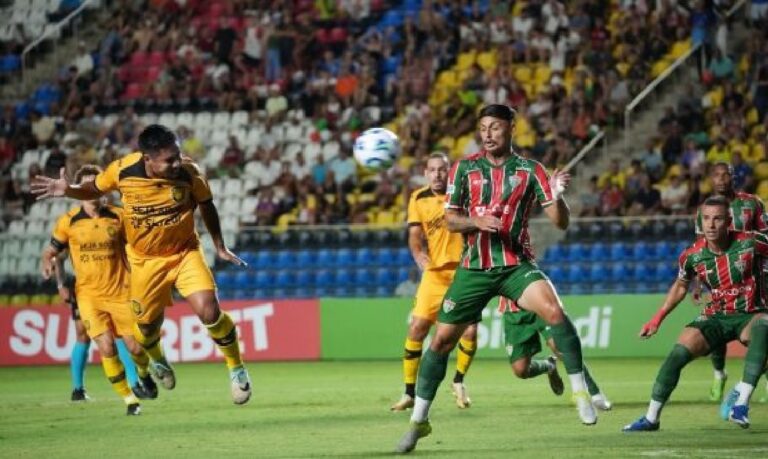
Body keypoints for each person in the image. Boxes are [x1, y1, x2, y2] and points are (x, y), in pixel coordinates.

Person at [396, 104, 594, 454]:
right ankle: (419, 421)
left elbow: (560, 222)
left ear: (512, 128)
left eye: (495, 127)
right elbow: (451, 219)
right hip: (473, 268)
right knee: (440, 342)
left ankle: (581, 392)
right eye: (483, 128)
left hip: (515, 264)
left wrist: (556, 194)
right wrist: (476, 221)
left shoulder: (531, 170)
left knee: (555, 311)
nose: (488, 134)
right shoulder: (464, 168)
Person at [31, 125, 252, 405]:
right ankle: (158, 360)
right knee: (146, 331)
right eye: (169, 160)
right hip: (145, 262)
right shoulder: (122, 171)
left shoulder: (189, 172)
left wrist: (219, 245)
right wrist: (70, 190)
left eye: (178, 155)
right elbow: (94, 187)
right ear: (148, 159)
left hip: (184, 252)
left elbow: (206, 204)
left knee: (209, 311)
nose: (177, 163)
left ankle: (236, 368)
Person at [624, 196, 768, 431]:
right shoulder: (692, 255)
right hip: (716, 315)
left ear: (729, 221)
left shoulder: (751, 242)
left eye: (717, 219)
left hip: (751, 313)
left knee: (764, 326)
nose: (711, 224)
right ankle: (651, 418)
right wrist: (657, 318)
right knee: (677, 354)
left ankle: (741, 403)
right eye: (706, 218)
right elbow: (681, 286)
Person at [40, 165, 156, 415]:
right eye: (86, 185)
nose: (92, 190)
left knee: (135, 348)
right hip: (89, 296)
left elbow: (141, 245)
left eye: (96, 184)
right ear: (78, 190)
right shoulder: (68, 221)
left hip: (122, 293)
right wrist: (47, 263)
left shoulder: (119, 216)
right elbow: (52, 251)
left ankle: (144, 374)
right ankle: (129, 400)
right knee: (105, 346)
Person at [391, 153, 478, 412]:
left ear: (449, 172)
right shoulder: (418, 198)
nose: (437, 174)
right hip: (434, 274)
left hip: (463, 272)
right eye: (432, 170)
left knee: (470, 332)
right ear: (426, 173)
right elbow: (414, 235)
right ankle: (409, 392)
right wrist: (418, 253)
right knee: (417, 328)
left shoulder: (464, 194)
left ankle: (459, 381)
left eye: (442, 169)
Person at [693, 162, 768, 402]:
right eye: (716, 175)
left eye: (725, 174)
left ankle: (765, 380)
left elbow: (765, 237)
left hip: (753, 278)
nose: (721, 179)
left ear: (733, 177)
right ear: (710, 179)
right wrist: (698, 282)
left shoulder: (752, 203)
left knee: (760, 328)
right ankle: (719, 373)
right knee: (717, 324)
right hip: (719, 277)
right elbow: (700, 247)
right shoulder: (704, 210)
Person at [498, 297, 612, 410]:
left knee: (560, 348)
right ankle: (548, 366)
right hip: (513, 314)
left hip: (539, 306)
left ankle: (596, 395)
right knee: (521, 370)